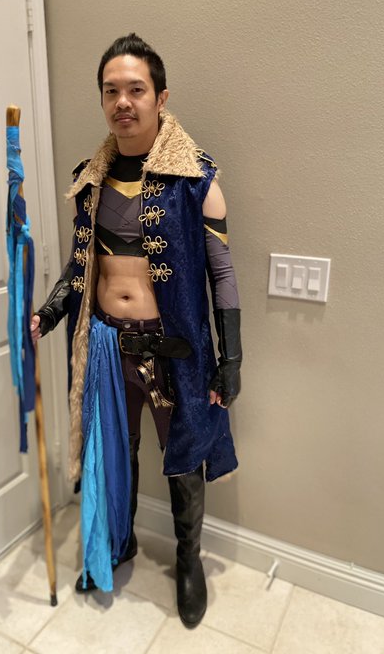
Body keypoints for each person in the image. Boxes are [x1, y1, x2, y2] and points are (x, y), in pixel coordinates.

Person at [31, 33, 242, 629]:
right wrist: (47, 313)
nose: (122, 102)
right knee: (112, 451)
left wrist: (232, 357)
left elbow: (223, 275)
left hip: (175, 352)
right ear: (103, 100)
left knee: (185, 459)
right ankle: (117, 543)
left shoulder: (197, 181)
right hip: (106, 346)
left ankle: (189, 561)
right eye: (111, 91)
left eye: (136, 90)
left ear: (160, 97)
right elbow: (80, 267)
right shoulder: (89, 181)